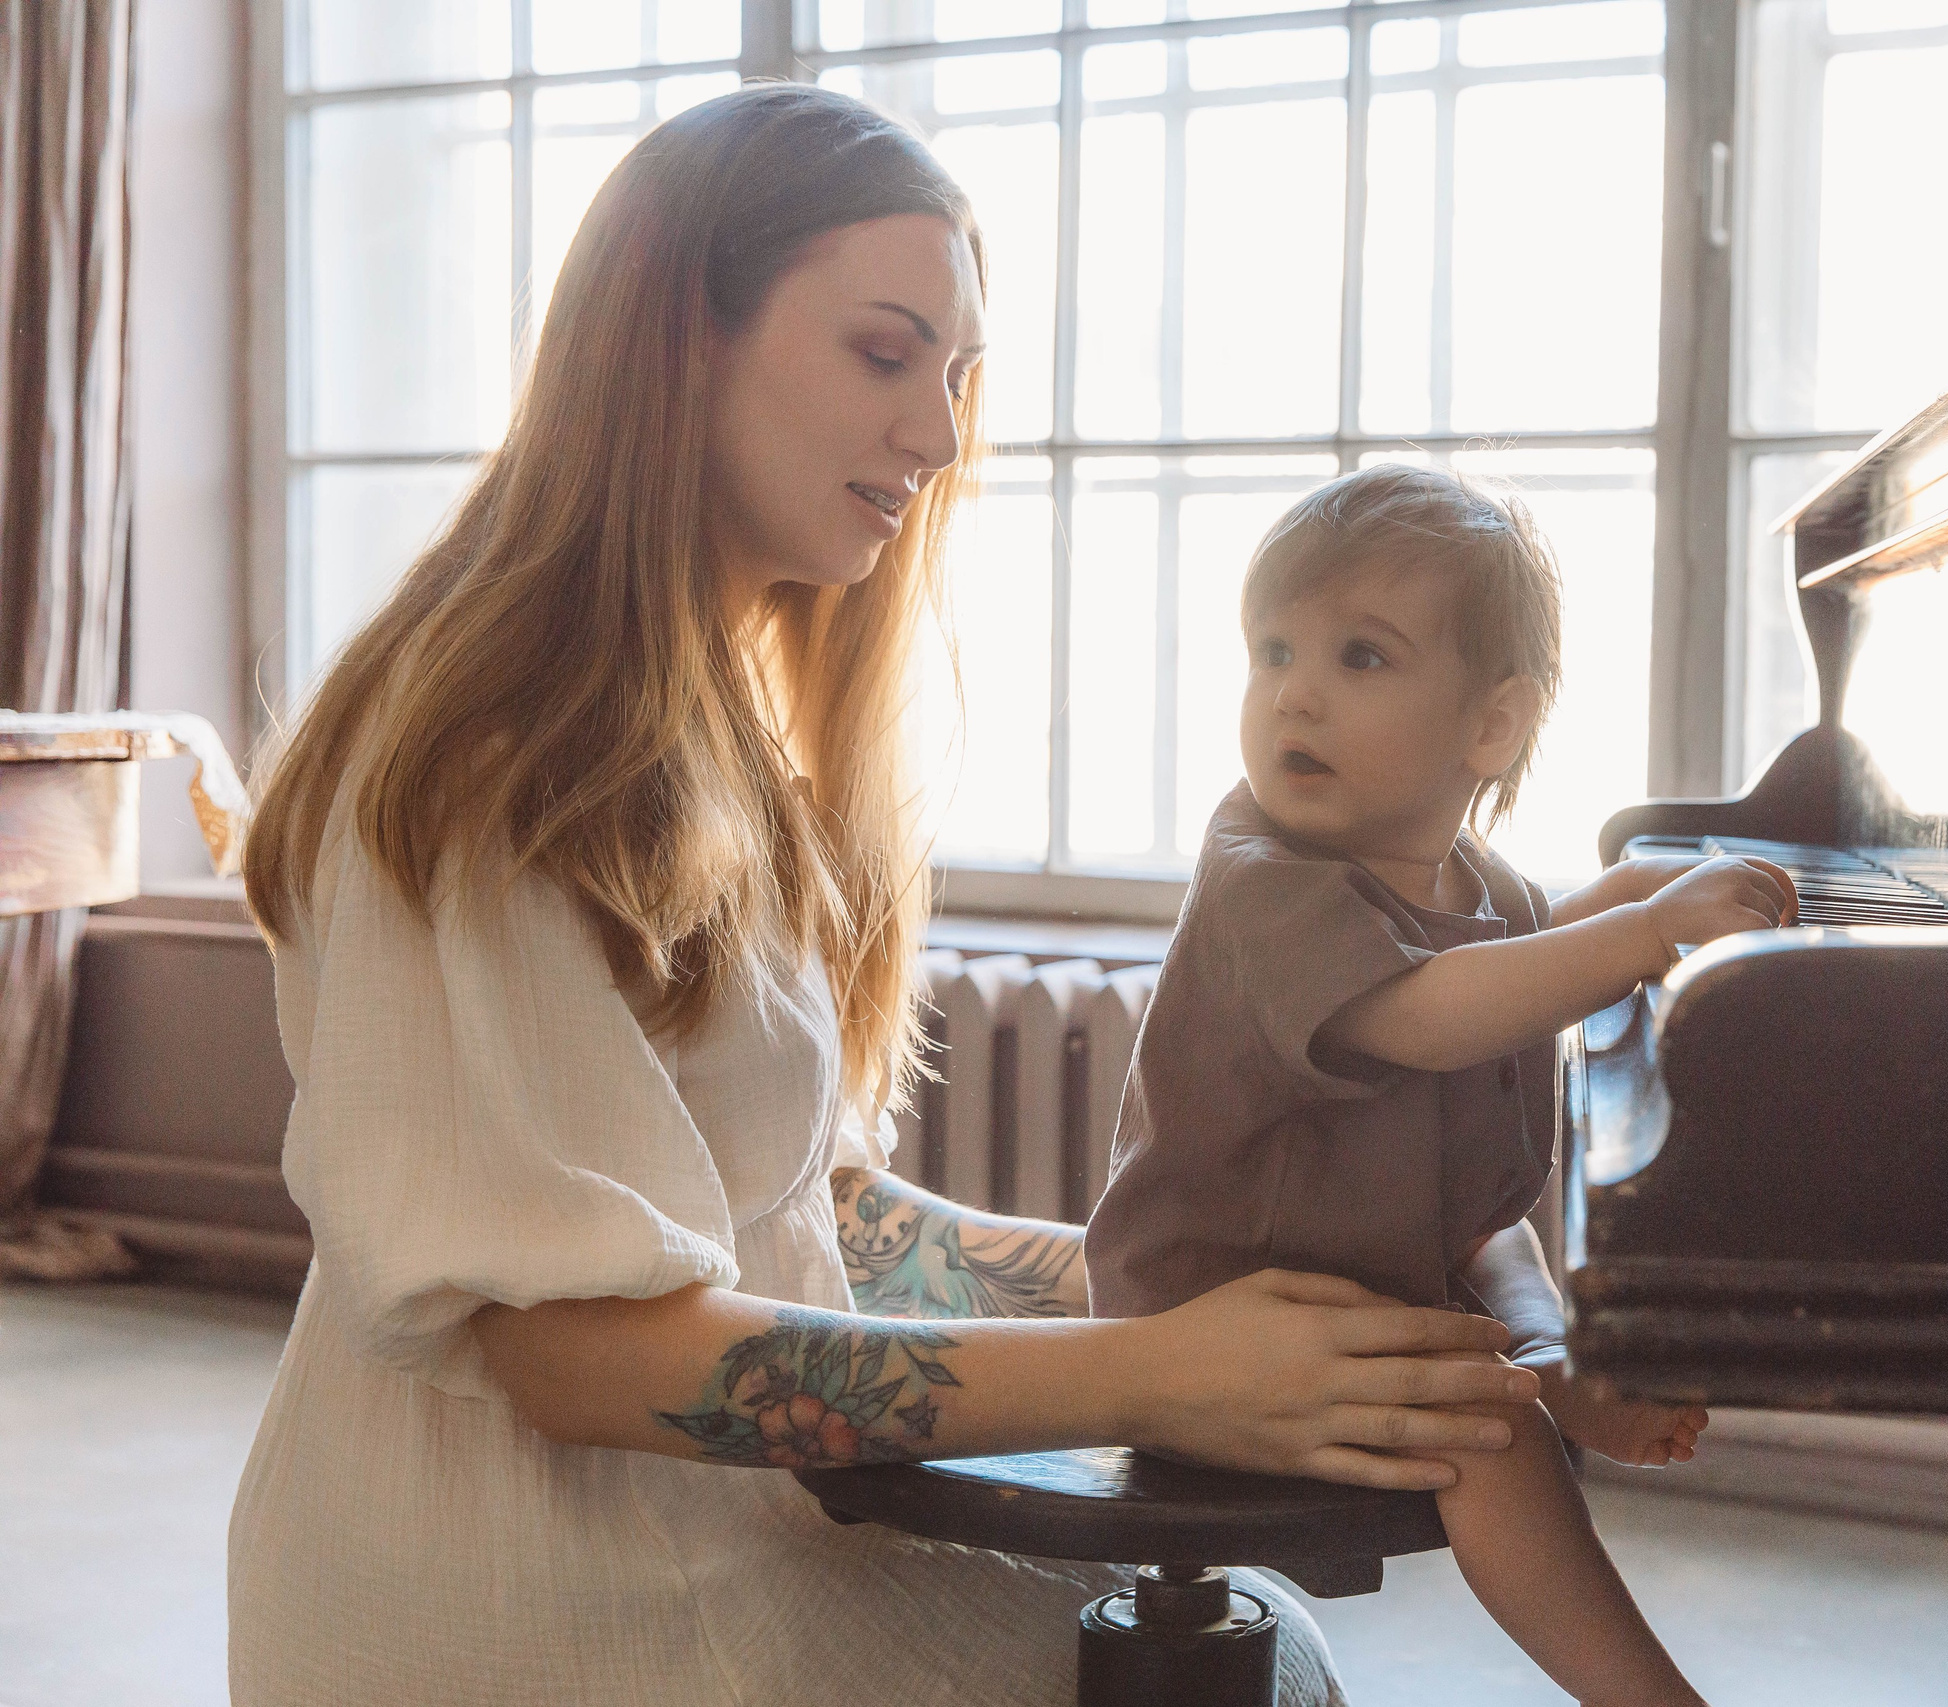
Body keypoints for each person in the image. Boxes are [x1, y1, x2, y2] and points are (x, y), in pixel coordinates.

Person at [226, 86, 1540, 1707]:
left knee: (1272, 1653)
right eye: (884, 352)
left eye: (959, 373)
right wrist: (1157, 1371)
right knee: (1255, 1675)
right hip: (541, 1614)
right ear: (674, 340)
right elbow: (571, 1348)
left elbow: (806, 1205)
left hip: (691, 1549)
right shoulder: (504, 767)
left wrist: (1162, 1278)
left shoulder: (702, 745)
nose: (938, 427)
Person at [1083, 464, 1801, 1707]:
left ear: (1491, 727)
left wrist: (1618, 904)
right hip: (1214, 1319)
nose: (1293, 693)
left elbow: (1507, 953)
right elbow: (1421, 1014)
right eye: (1271, 651)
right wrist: (1637, 936)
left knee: (1499, 1238)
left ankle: (1553, 1351)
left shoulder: (1471, 877)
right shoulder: (1262, 876)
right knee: (1491, 1433)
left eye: (1359, 657)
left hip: (1371, 1258)